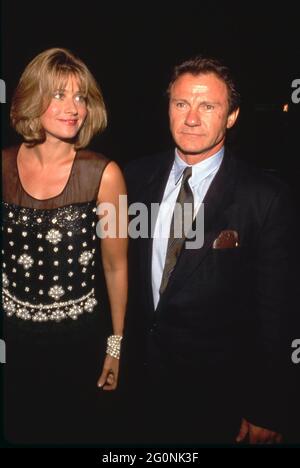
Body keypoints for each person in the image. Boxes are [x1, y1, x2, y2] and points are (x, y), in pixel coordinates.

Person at [124, 56, 294, 444]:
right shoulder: (132, 179)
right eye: (181, 103)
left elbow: (277, 312)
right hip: (137, 393)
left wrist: (267, 406)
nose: (191, 118)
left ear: (231, 116)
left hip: (217, 401)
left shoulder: (266, 197)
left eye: (208, 106)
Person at [2, 48, 128, 444]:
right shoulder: (1, 165)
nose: (73, 107)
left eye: (80, 96)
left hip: (80, 346)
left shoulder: (105, 174)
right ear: (31, 98)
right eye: (58, 94)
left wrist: (116, 347)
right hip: (13, 344)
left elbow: (116, 267)